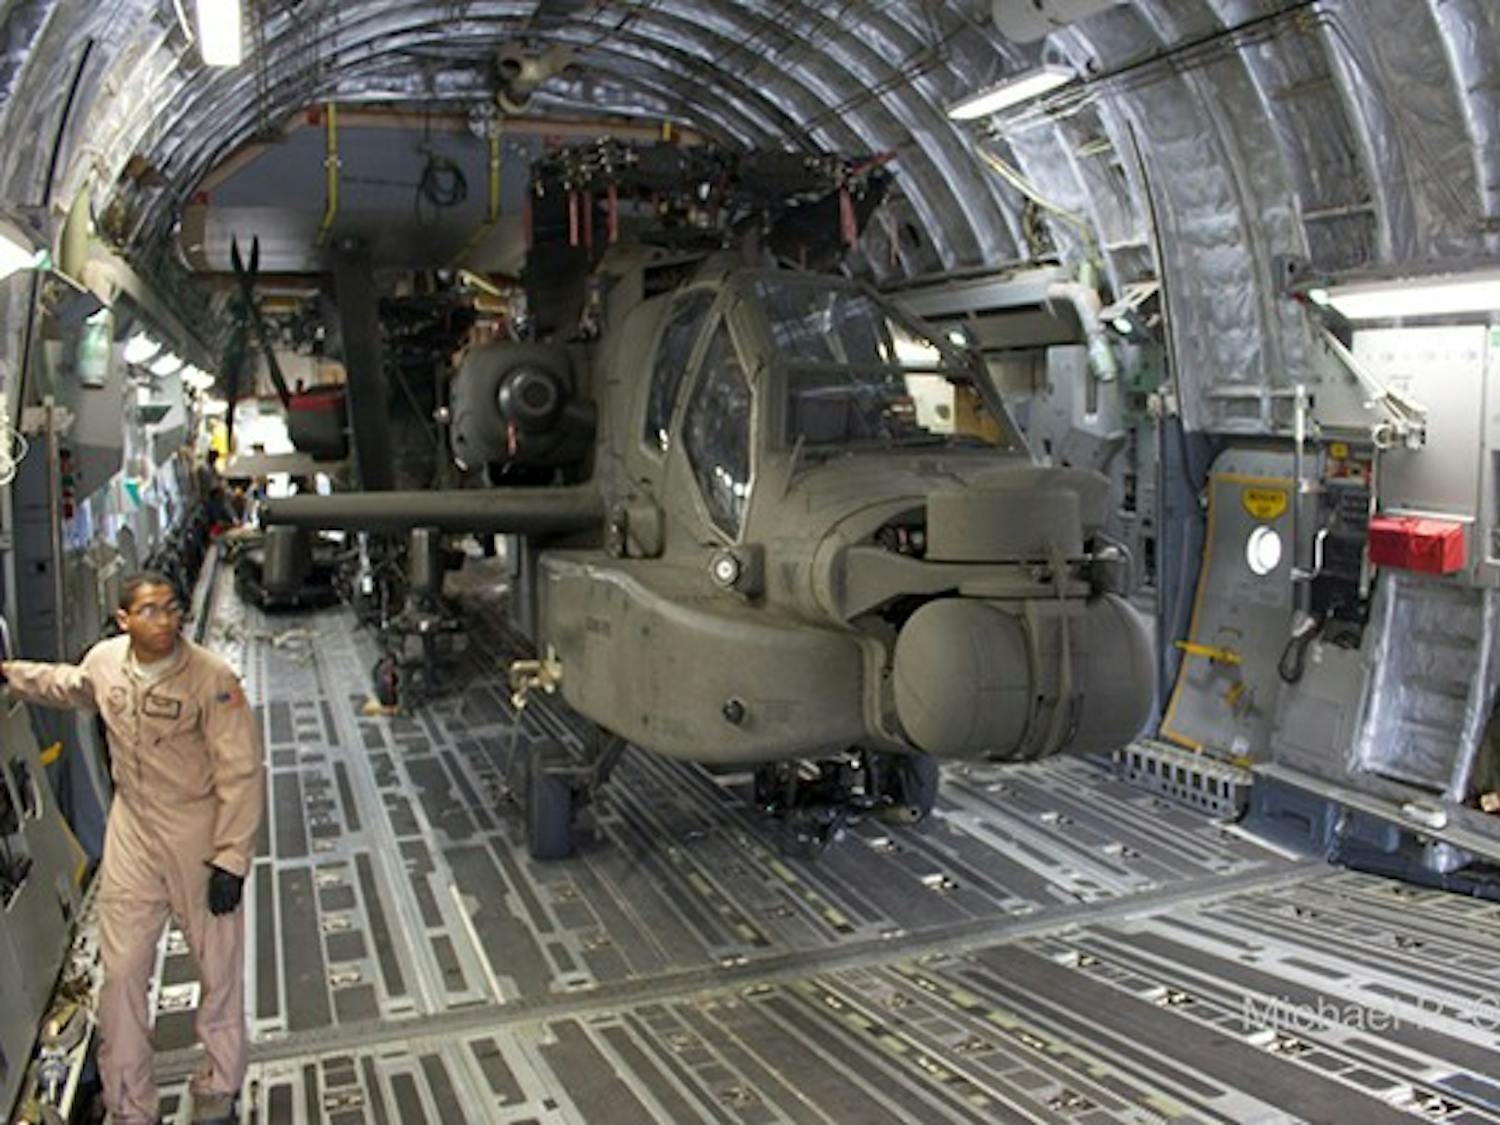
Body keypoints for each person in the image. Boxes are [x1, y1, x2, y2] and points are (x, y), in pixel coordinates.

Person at [0, 572, 263, 1125]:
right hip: (134, 832)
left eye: (171, 609)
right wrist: (9, 676)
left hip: (199, 833)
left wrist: (231, 859)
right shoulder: (105, 662)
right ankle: (129, 1105)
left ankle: (217, 1090)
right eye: (149, 610)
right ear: (124, 619)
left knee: (217, 974)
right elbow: (68, 686)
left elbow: (241, 773)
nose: (164, 620)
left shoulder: (211, 680)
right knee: (120, 977)